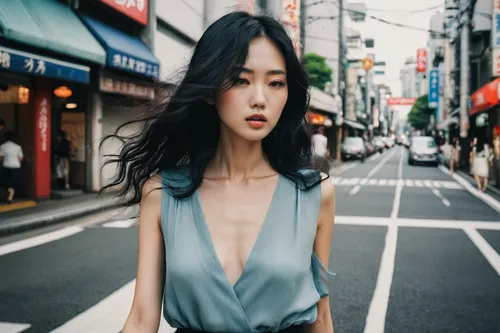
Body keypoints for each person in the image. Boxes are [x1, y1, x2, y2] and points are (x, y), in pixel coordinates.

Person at [103, 11, 336, 333]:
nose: (259, 99)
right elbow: (143, 318)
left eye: (276, 83)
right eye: (240, 80)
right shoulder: (162, 193)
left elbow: (320, 318)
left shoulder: (314, 193)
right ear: (210, 91)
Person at [0, 131, 23, 203]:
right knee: (14, 183)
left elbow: (0, 158)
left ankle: (10, 196)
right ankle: (10, 197)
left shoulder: (2, 146)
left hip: (6, 166)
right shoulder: (18, 147)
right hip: (16, 167)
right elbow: (20, 159)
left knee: (5, 183)